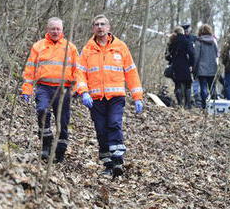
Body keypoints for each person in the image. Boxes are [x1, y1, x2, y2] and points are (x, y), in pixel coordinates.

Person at [77, 14, 143, 177]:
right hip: (96, 98)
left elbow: (131, 72)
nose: (100, 27)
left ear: (108, 28)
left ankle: (118, 160)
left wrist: (137, 97)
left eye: (103, 24)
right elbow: (80, 73)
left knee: (114, 124)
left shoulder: (120, 47)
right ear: (93, 28)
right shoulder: (87, 50)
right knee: (101, 130)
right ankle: (107, 164)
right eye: (97, 24)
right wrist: (84, 92)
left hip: (116, 96)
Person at [21, 17, 79, 163]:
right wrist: (27, 89)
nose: (55, 31)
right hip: (44, 87)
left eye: (58, 29)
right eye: (53, 28)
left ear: (62, 30)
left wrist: (77, 89)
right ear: (47, 30)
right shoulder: (38, 46)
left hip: (63, 89)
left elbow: (78, 70)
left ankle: (60, 152)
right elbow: (29, 70)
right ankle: (45, 144)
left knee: (63, 121)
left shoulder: (70, 48)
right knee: (42, 111)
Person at [165, 26, 194, 109]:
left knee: (177, 84)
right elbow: (191, 53)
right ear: (182, 32)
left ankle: (180, 103)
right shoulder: (186, 40)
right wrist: (191, 64)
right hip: (185, 64)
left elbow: (167, 56)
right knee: (188, 84)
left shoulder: (171, 41)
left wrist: (172, 60)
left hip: (175, 65)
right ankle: (187, 105)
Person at [193, 24, 219, 109]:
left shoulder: (198, 42)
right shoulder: (214, 41)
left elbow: (196, 56)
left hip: (202, 69)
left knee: (203, 88)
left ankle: (205, 106)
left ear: (200, 31)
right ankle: (214, 106)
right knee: (212, 87)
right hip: (213, 68)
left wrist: (194, 68)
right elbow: (217, 54)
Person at [181, 24, 201, 108]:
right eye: (184, 31)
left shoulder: (194, 38)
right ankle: (186, 101)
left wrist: (193, 65)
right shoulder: (181, 39)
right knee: (185, 83)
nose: (186, 32)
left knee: (193, 83)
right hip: (183, 64)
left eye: (187, 31)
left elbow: (194, 53)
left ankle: (194, 101)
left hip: (194, 64)